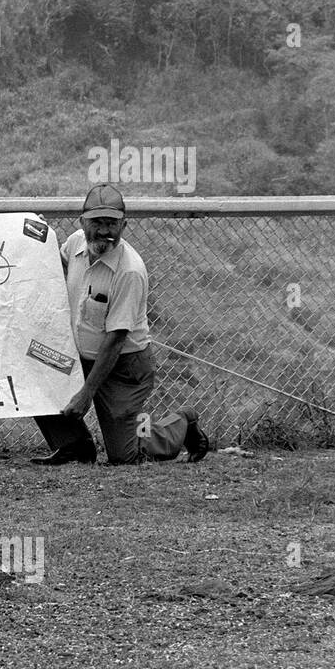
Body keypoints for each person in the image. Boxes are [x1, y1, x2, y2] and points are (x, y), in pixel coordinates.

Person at [31, 184, 209, 465]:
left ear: (124, 225)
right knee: (35, 373)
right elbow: (58, 266)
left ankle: (179, 424)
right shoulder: (77, 242)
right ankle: (74, 447)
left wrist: (85, 394)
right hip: (81, 355)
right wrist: (35, 240)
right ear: (82, 223)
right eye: (97, 223)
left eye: (112, 224)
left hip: (123, 367)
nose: (104, 231)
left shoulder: (130, 271)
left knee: (126, 454)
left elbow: (115, 340)